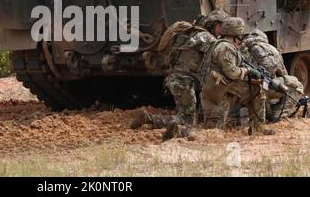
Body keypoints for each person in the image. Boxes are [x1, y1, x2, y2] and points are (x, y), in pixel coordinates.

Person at [130, 9, 229, 139]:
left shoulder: (191, 33)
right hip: (184, 82)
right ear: (213, 24)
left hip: (176, 79)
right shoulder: (207, 38)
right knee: (186, 119)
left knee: (186, 115)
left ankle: (150, 119)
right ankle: (167, 127)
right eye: (220, 26)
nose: (222, 31)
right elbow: (219, 59)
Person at [200, 17, 274, 135]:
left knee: (213, 131)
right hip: (218, 92)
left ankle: (256, 128)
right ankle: (256, 128)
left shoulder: (220, 44)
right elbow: (232, 73)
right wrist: (247, 71)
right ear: (235, 35)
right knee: (213, 133)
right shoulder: (226, 47)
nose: (242, 39)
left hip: (219, 89)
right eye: (241, 36)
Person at [241, 29, 304, 121]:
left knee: (263, 85)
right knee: (296, 85)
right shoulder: (272, 49)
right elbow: (283, 74)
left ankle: (265, 112)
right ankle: (278, 114)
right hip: (263, 88)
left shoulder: (242, 49)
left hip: (243, 88)